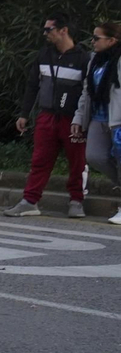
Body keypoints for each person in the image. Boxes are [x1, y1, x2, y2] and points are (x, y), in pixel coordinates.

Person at [6, 13, 89, 218]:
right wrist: (24, 113)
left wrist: (83, 118)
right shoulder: (43, 54)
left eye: (48, 29)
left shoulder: (83, 58)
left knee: (77, 161)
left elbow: (88, 92)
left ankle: (76, 200)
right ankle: (30, 200)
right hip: (47, 115)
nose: (45, 33)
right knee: (40, 160)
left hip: (72, 119)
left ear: (64, 30)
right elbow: (33, 85)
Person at [73, 22, 121, 225]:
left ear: (111, 41)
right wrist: (78, 117)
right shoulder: (95, 60)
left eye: (96, 38)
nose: (92, 41)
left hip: (117, 118)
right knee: (94, 156)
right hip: (98, 117)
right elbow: (86, 91)